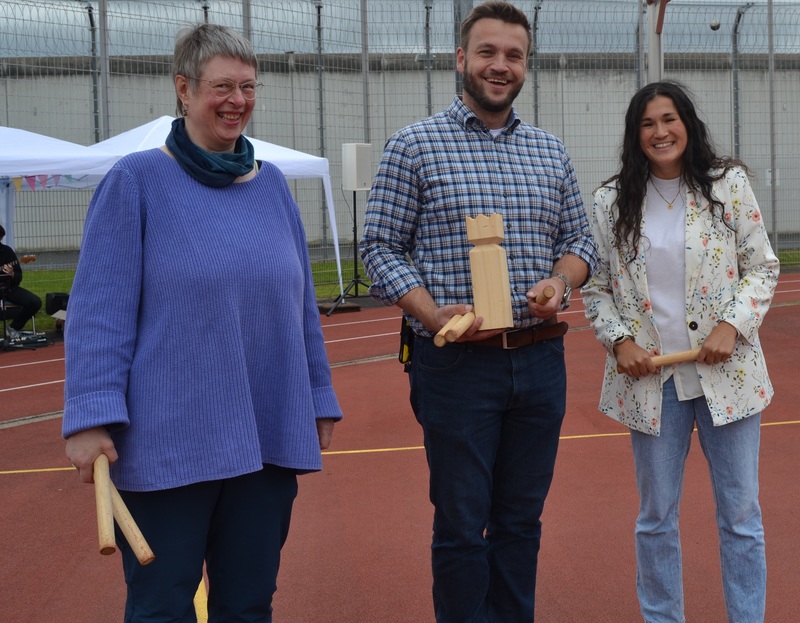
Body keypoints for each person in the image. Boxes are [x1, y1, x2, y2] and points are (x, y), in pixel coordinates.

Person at [63, 23, 342, 622]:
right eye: (222, 86)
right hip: (169, 444)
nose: (237, 100)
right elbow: (98, 313)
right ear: (183, 90)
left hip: (265, 437)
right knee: (162, 607)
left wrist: (318, 396)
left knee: (248, 604)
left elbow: (299, 311)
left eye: (247, 86)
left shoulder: (271, 187)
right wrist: (89, 417)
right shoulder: (135, 181)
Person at [360, 3, 598, 621]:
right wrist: (431, 313)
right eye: (488, 52)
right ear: (462, 59)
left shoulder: (550, 152)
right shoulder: (414, 145)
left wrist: (558, 282)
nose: (501, 65)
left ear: (525, 66)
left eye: (513, 55)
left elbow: (582, 242)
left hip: (540, 359)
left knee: (520, 522)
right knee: (463, 526)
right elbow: (379, 245)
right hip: (457, 366)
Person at [581, 80, 779, 623]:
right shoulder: (611, 200)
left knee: (741, 515)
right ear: (635, 135)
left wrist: (732, 327)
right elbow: (595, 288)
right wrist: (619, 340)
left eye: (669, 119)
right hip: (653, 384)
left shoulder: (726, 185)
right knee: (656, 517)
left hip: (729, 377)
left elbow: (762, 267)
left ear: (686, 124)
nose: (660, 131)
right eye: (647, 123)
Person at [0, 223, 42, 340]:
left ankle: (13, 328)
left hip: (7, 288)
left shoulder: (7, 252)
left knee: (34, 302)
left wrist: (12, 274)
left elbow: (18, 275)